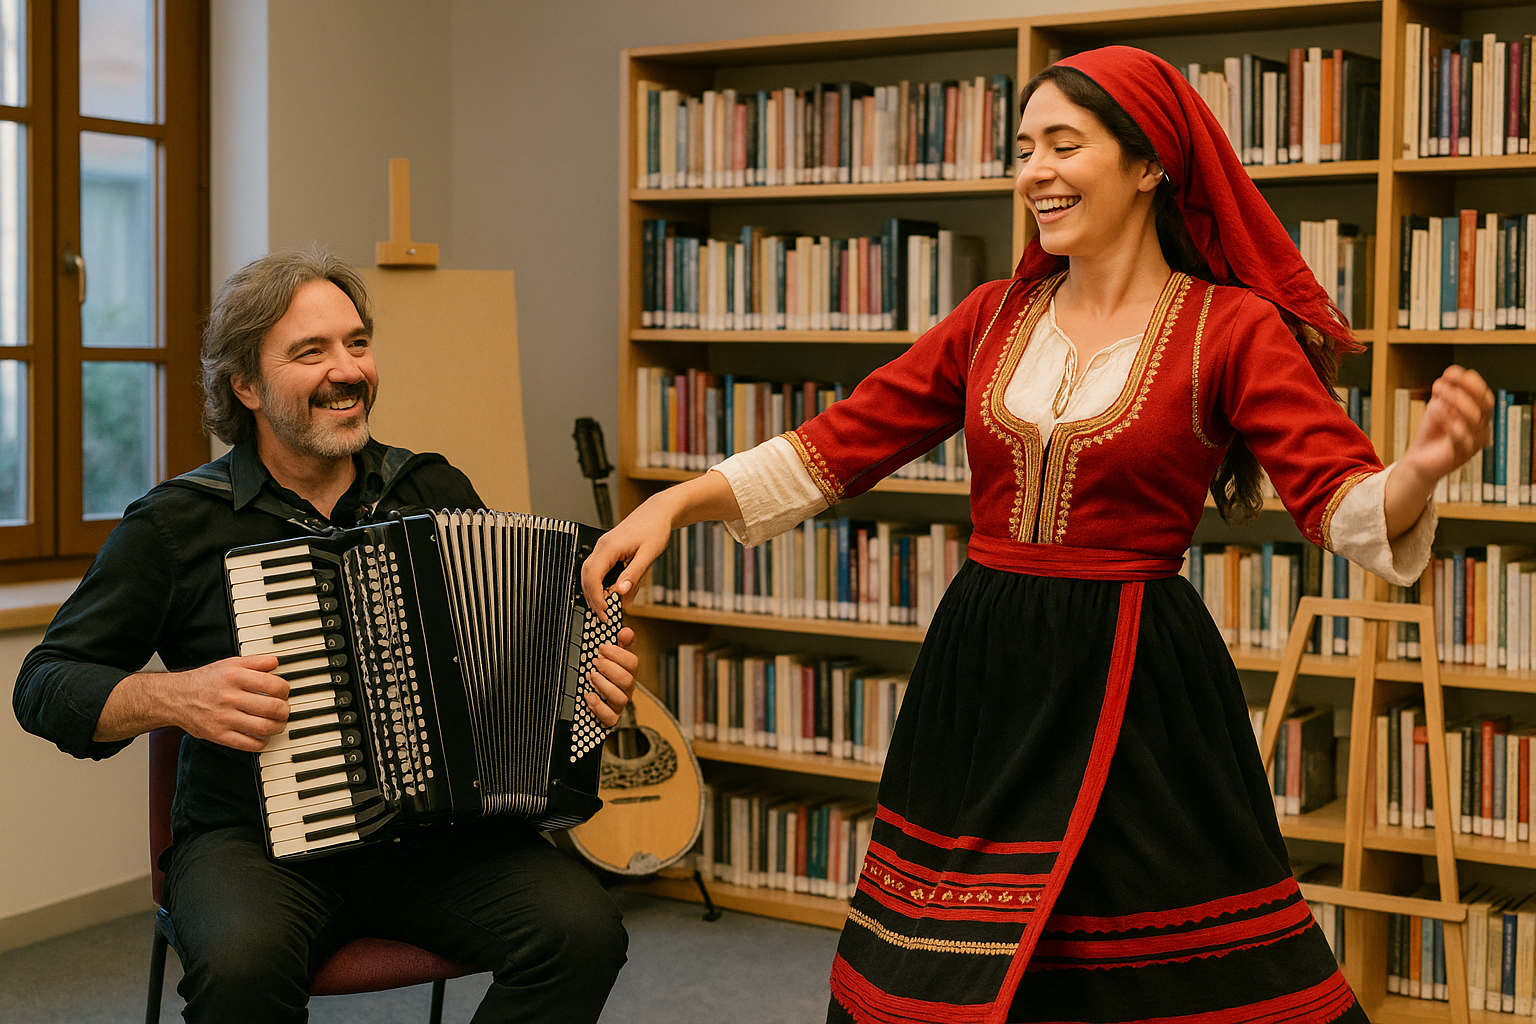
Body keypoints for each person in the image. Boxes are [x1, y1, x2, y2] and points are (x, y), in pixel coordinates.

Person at [583, 47, 1493, 1023]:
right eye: (1024, 149)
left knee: (1177, 964)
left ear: (1150, 165)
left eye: (1065, 144)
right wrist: (672, 503)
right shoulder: (992, 317)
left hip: (1139, 682)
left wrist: (1421, 468)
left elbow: (1340, 500)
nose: (1035, 172)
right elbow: (839, 443)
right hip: (985, 672)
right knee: (944, 956)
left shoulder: (1229, 328)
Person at [14, 248, 636, 1024]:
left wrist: (581, 684)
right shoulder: (175, 525)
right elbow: (44, 685)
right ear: (246, 386)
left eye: (357, 343)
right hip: (254, 846)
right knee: (242, 970)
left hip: (435, 841)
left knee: (582, 933)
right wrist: (176, 697)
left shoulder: (430, 488)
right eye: (311, 352)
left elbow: (510, 658)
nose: (348, 370)